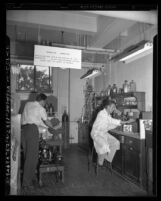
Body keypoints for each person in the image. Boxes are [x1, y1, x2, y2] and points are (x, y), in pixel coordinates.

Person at [21, 93, 55, 191]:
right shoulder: (41, 109)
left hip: (23, 130)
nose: (45, 104)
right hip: (32, 131)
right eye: (45, 102)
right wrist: (52, 127)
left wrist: (45, 127)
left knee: (27, 156)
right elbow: (46, 121)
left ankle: (31, 177)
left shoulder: (28, 104)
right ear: (43, 101)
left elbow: (35, 120)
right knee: (32, 158)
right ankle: (26, 183)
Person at [90, 98, 133, 166]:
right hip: (96, 134)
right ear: (107, 107)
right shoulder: (102, 113)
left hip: (104, 134)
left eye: (114, 107)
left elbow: (111, 124)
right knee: (105, 145)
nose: (113, 109)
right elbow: (112, 121)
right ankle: (100, 162)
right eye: (112, 107)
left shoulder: (108, 115)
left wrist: (120, 120)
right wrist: (127, 121)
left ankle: (107, 159)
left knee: (116, 142)